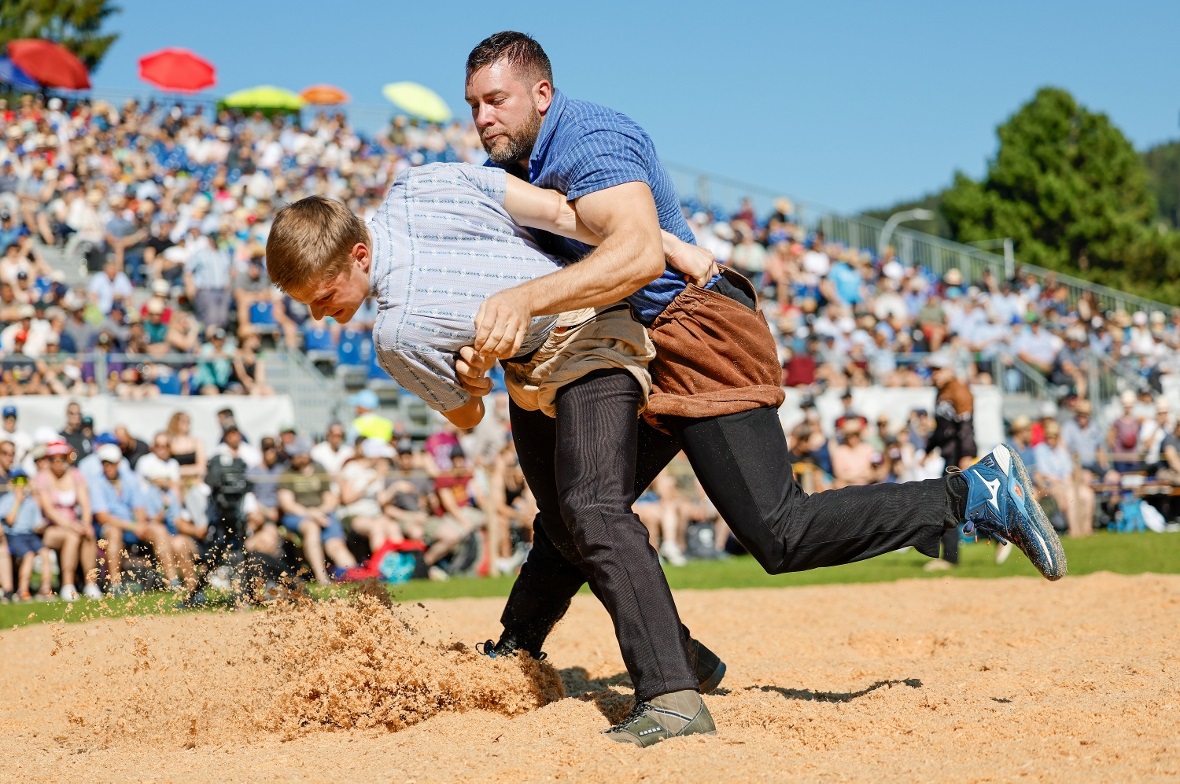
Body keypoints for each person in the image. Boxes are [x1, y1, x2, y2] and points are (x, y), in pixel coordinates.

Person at [458, 30, 1066, 745]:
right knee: (578, 512)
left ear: (541, 94)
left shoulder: (590, 139)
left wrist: (529, 300)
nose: (483, 118)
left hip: (695, 338)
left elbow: (637, 253)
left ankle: (972, 495)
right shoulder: (513, 168)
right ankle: (540, 652)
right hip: (629, 349)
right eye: (473, 105)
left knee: (779, 533)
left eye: (495, 100)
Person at [264, 158, 723, 739]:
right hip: (542, 370)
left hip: (594, 339)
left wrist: (473, 378)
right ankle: (669, 657)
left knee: (591, 512)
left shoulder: (396, 335)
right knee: (563, 526)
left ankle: (672, 696)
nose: (317, 315)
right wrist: (673, 246)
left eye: (324, 296)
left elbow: (468, 413)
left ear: (358, 255)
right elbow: (561, 214)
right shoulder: (423, 181)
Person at [923, 353, 977, 571]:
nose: (934, 374)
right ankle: (1002, 533)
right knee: (955, 504)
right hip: (949, 455)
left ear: (950, 369)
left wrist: (966, 455)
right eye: (932, 370)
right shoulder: (941, 392)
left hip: (958, 456)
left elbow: (966, 427)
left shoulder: (960, 391)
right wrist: (928, 449)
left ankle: (950, 558)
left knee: (947, 505)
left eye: (938, 369)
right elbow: (940, 429)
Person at [276, 441, 358, 585]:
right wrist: (311, 514)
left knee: (335, 543)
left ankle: (354, 576)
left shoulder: (319, 469)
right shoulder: (287, 472)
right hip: (297, 515)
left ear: (306, 454)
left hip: (323, 514)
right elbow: (287, 504)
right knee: (311, 528)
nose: (294, 457)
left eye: (297, 454)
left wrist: (319, 512)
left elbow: (329, 498)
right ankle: (322, 579)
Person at [32, 440, 102, 600]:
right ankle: (67, 584)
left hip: (73, 524)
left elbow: (85, 505)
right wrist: (72, 525)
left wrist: (85, 524)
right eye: (53, 459)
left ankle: (91, 583)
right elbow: (49, 510)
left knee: (88, 533)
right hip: (49, 528)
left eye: (61, 458)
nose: (58, 462)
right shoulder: (42, 478)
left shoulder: (76, 475)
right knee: (72, 535)